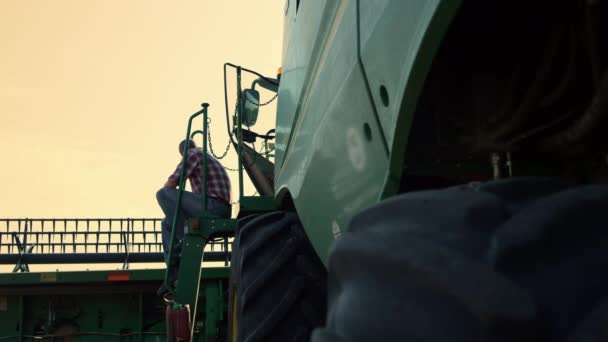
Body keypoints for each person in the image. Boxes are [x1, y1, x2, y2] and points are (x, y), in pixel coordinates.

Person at [156, 139, 231, 295]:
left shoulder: (193, 154)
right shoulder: (204, 156)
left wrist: (170, 199)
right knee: (166, 224)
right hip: (217, 205)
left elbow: (172, 183)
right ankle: (173, 270)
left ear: (183, 152)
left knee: (162, 194)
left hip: (213, 205)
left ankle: (182, 242)